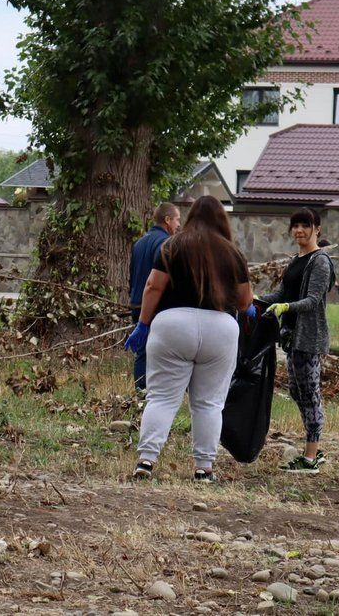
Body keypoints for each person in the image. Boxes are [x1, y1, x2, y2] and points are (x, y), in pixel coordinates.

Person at [124, 196, 252, 483]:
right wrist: (249, 311)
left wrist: (142, 325)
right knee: (208, 403)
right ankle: (204, 468)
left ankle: (146, 460)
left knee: (162, 398)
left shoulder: (172, 246)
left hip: (172, 324)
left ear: (190, 217)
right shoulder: (233, 253)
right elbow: (245, 302)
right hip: (220, 328)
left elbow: (153, 286)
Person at [262, 207, 334, 473]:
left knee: (310, 394)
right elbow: (282, 293)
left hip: (310, 338)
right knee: (296, 391)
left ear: (317, 229)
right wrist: (254, 302)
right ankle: (313, 448)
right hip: (291, 338)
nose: (299, 230)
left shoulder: (320, 261)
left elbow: (313, 301)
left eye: (305, 225)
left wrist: (286, 308)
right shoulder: (296, 259)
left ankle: (311, 457)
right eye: (295, 226)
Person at [127, 202, 182, 390]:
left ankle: (139, 392)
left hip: (136, 303)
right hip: (155, 306)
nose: (178, 225)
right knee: (161, 353)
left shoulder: (139, 242)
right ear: (167, 220)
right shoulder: (165, 245)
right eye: (177, 220)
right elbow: (161, 280)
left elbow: (132, 274)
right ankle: (155, 392)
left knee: (142, 352)